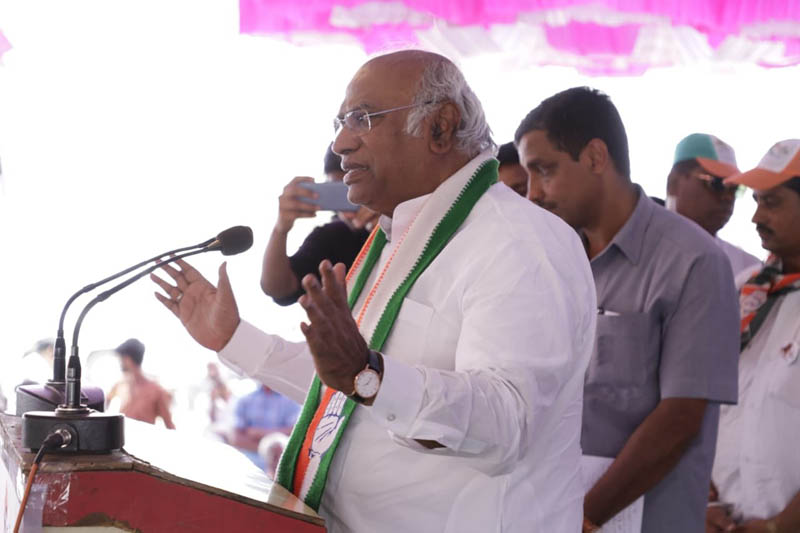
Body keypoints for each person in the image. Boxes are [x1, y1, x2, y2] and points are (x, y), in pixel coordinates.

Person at [151, 50, 596, 532]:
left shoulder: (518, 241)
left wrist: (370, 375)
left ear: (440, 127)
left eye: (362, 119)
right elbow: (344, 389)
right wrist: (234, 338)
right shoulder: (401, 236)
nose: (340, 143)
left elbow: (505, 423)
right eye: (341, 122)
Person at [515, 87, 740, 533]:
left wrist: (584, 515)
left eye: (544, 170)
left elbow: (680, 417)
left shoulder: (692, 261)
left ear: (595, 157)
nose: (532, 194)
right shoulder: (551, 263)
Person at [707, 139, 800, 533]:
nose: (756, 217)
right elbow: (706, 404)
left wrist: (780, 525)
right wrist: (706, 501)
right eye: (757, 201)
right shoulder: (744, 289)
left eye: (772, 203)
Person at [261, 145, 379, 306]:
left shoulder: (406, 217)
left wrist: (388, 226)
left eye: (353, 188)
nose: (350, 201)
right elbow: (279, 289)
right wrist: (280, 230)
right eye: (338, 193)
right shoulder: (333, 236)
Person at [667, 133, 761, 276]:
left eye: (735, 188)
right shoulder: (637, 246)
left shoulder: (749, 271)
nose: (728, 197)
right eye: (716, 183)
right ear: (673, 183)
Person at [229, 383, 300, 473]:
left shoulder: (293, 401)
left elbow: (295, 433)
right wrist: (272, 448)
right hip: (249, 467)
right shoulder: (244, 400)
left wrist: (258, 433)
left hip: (280, 469)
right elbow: (236, 439)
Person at [106, 338, 176, 429]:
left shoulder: (156, 390)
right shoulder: (120, 385)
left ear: (128, 359)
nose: (120, 362)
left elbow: (169, 425)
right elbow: (104, 404)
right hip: (123, 436)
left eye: (121, 358)